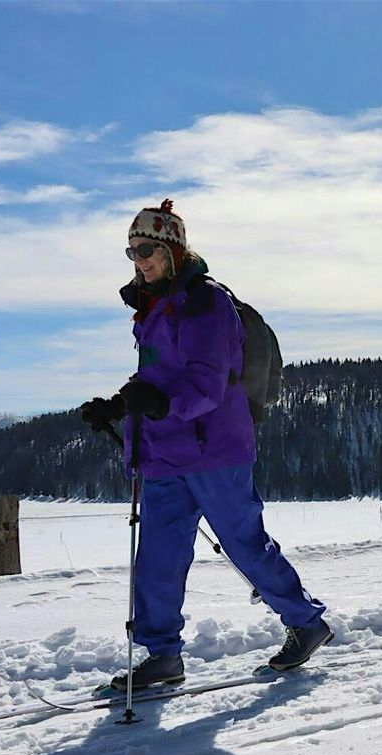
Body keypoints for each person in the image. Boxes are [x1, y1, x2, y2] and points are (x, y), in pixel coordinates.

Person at [80, 199, 331, 689]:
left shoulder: (206, 303)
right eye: (131, 252)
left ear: (172, 250)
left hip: (214, 450)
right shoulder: (152, 307)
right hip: (165, 452)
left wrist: (157, 402)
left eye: (146, 250)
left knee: (244, 544)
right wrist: (120, 405)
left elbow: (208, 384)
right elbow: (159, 377)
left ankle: (306, 623)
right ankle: (162, 655)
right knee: (157, 558)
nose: (138, 261)